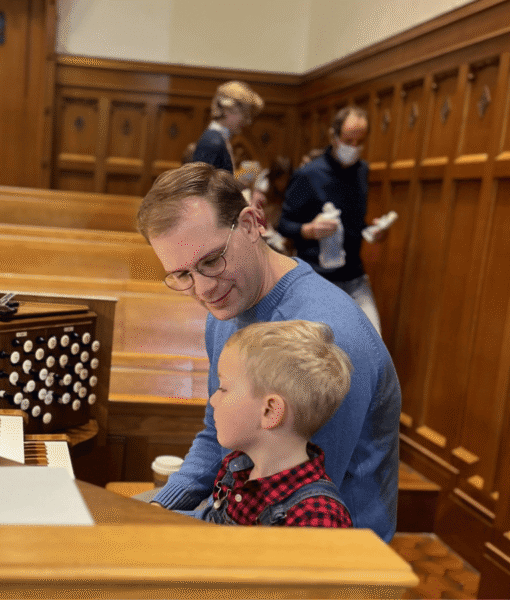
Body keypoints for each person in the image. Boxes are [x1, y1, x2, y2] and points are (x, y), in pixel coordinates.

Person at [136, 161, 400, 542]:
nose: (203, 290)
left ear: (250, 223)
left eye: (211, 260)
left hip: (329, 553)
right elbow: (217, 436)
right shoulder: (227, 303)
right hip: (245, 512)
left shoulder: (328, 337)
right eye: (182, 275)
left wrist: (176, 530)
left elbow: (290, 503)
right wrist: (164, 506)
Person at [177, 320, 353, 527]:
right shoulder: (237, 467)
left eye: (223, 388)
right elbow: (210, 528)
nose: (213, 400)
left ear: (270, 411)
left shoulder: (316, 517)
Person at [277, 107, 386, 334]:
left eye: (360, 141)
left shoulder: (362, 171)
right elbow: (284, 223)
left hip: (354, 276)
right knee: (322, 348)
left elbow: (354, 222)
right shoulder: (308, 174)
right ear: (333, 137)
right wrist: (309, 230)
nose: (353, 147)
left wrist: (373, 230)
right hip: (318, 277)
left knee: (373, 341)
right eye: (348, 140)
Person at [192, 81, 264, 173]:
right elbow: (201, 185)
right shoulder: (212, 142)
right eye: (245, 115)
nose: (248, 122)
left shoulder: (218, 139)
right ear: (227, 109)